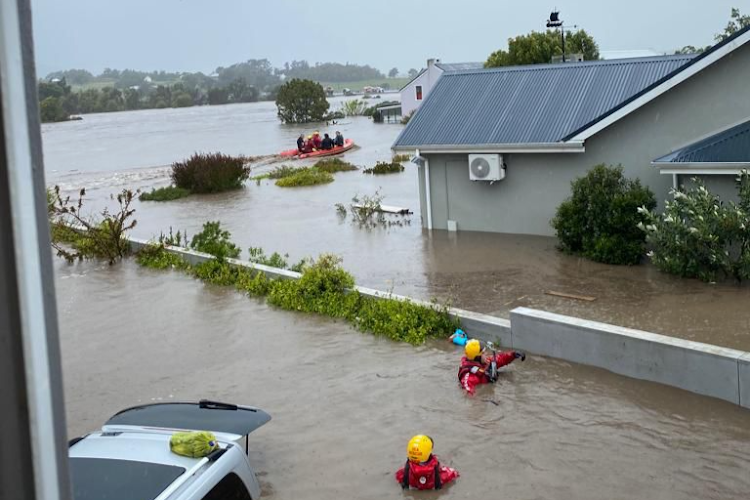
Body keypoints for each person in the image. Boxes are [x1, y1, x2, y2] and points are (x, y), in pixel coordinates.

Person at [458, 339, 525, 395]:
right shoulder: (469, 377)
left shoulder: (485, 361)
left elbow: (500, 359)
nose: (487, 353)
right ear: (477, 357)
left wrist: (513, 355)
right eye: (483, 353)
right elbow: (468, 393)